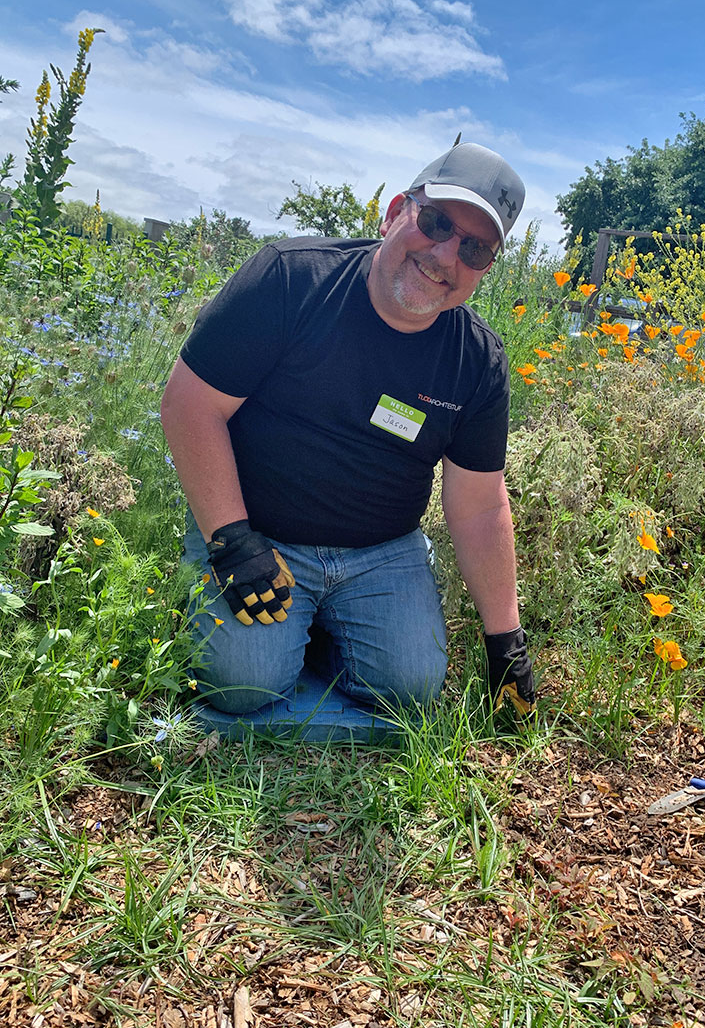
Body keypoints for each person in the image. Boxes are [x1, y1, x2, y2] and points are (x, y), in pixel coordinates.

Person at [160, 141, 536, 729]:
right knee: (242, 684)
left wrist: (504, 640)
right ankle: (262, 617)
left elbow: (479, 506)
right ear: (393, 213)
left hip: (381, 551)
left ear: (485, 269)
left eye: (474, 248)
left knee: (408, 689)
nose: (445, 255)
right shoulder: (289, 279)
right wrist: (232, 540)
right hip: (259, 534)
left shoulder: (476, 361)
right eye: (436, 222)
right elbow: (189, 407)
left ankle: (318, 627)